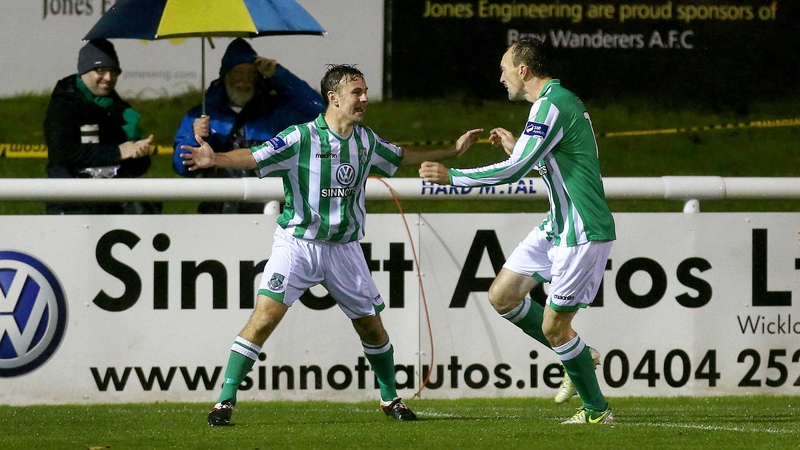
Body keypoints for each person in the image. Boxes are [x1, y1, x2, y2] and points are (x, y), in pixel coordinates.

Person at [181, 64, 482, 426]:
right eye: (357, 92)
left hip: (344, 249)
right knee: (264, 319)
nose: (365, 98)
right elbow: (254, 156)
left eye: (365, 91)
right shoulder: (301, 137)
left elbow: (401, 155)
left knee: (372, 328)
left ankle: (390, 398)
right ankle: (224, 401)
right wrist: (215, 158)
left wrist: (453, 151)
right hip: (298, 245)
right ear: (334, 98)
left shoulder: (366, 141)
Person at [418, 37, 616, 424]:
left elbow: (515, 171)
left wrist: (452, 176)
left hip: (582, 229)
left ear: (523, 70)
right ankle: (579, 354)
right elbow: (549, 160)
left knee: (555, 327)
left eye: (504, 69)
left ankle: (597, 410)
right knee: (503, 296)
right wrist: (517, 149)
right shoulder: (555, 103)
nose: (501, 78)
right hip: (557, 225)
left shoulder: (552, 104)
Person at [173, 38, 324, 214]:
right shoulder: (200, 115)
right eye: (238, 72)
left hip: (271, 211)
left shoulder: (277, 112)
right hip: (217, 214)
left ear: (259, 78)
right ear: (226, 76)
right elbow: (181, 167)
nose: (245, 80)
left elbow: (318, 110)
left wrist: (278, 74)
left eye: (251, 73)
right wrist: (194, 136)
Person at [44, 38, 156, 215]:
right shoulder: (63, 105)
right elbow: (61, 151)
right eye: (100, 70)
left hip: (115, 205)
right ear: (84, 71)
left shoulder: (121, 110)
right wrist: (117, 152)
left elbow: (134, 169)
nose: (108, 78)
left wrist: (139, 155)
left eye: (114, 72)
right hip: (73, 205)